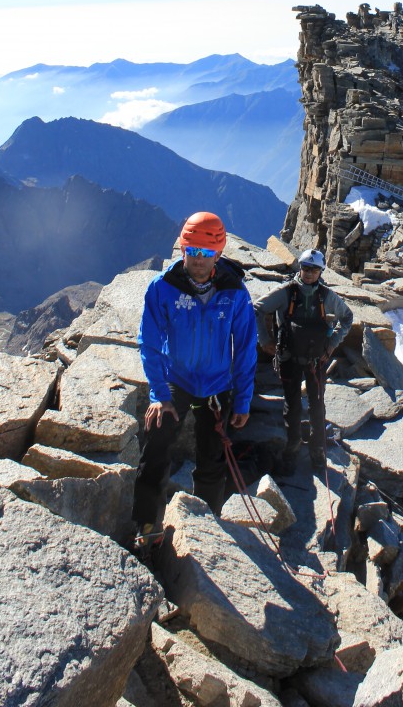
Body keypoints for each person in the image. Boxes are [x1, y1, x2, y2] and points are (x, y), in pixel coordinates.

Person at [132, 211, 257, 556]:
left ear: (218, 254)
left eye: (206, 253)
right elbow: (151, 342)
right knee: (156, 446)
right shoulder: (162, 288)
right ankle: (146, 527)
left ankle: (207, 528)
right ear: (183, 249)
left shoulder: (235, 292)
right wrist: (158, 395)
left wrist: (243, 400)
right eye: (193, 252)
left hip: (217, 386)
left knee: (213, 460)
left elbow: (245, 348)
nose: (199, 261)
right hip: (177, 380)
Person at [255, 248, 353, 476]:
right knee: (292, 405)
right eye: (306, 268)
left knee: (317, 406)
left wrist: (331, 345)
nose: (309, 273)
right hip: (290, 358)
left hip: (316, 359)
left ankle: (316, 450)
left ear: (320, 272)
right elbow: (257, 309)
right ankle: (294, 446)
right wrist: (265, 340)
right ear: (300, 268)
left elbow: (347, 317)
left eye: (314, 270)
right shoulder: (286, 292)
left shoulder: (326, 296)